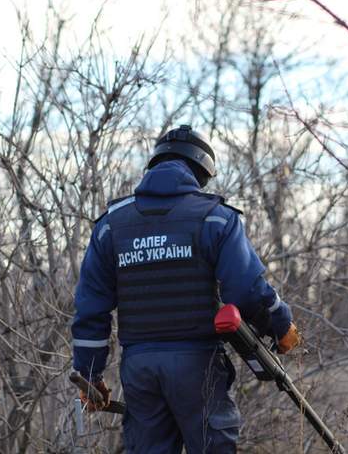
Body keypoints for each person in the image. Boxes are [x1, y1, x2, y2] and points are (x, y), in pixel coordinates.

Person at [71, 125, 300, 453]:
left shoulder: (110, 225)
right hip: (198, 363)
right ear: (202, 172)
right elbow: (247, 290)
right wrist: (280, 324)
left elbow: (91, 308)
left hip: (140, 370)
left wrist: (90, 374)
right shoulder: (216, 219)